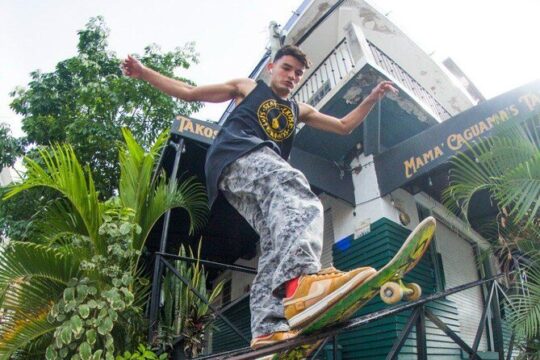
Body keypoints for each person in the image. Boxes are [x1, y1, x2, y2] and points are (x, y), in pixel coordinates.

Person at [122, 45, 397, 349]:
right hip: (236, 154)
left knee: (275, 240)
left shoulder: (298, 110)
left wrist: (372, 98)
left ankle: (267, 328)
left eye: (297, 73)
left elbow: (344, 126)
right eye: (286, 68)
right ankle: (300, 284)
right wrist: (143, 72)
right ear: (271, 66)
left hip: (244, 178)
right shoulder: (248, 88)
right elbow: (190, 92)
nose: (292, 76)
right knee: (300, 194)